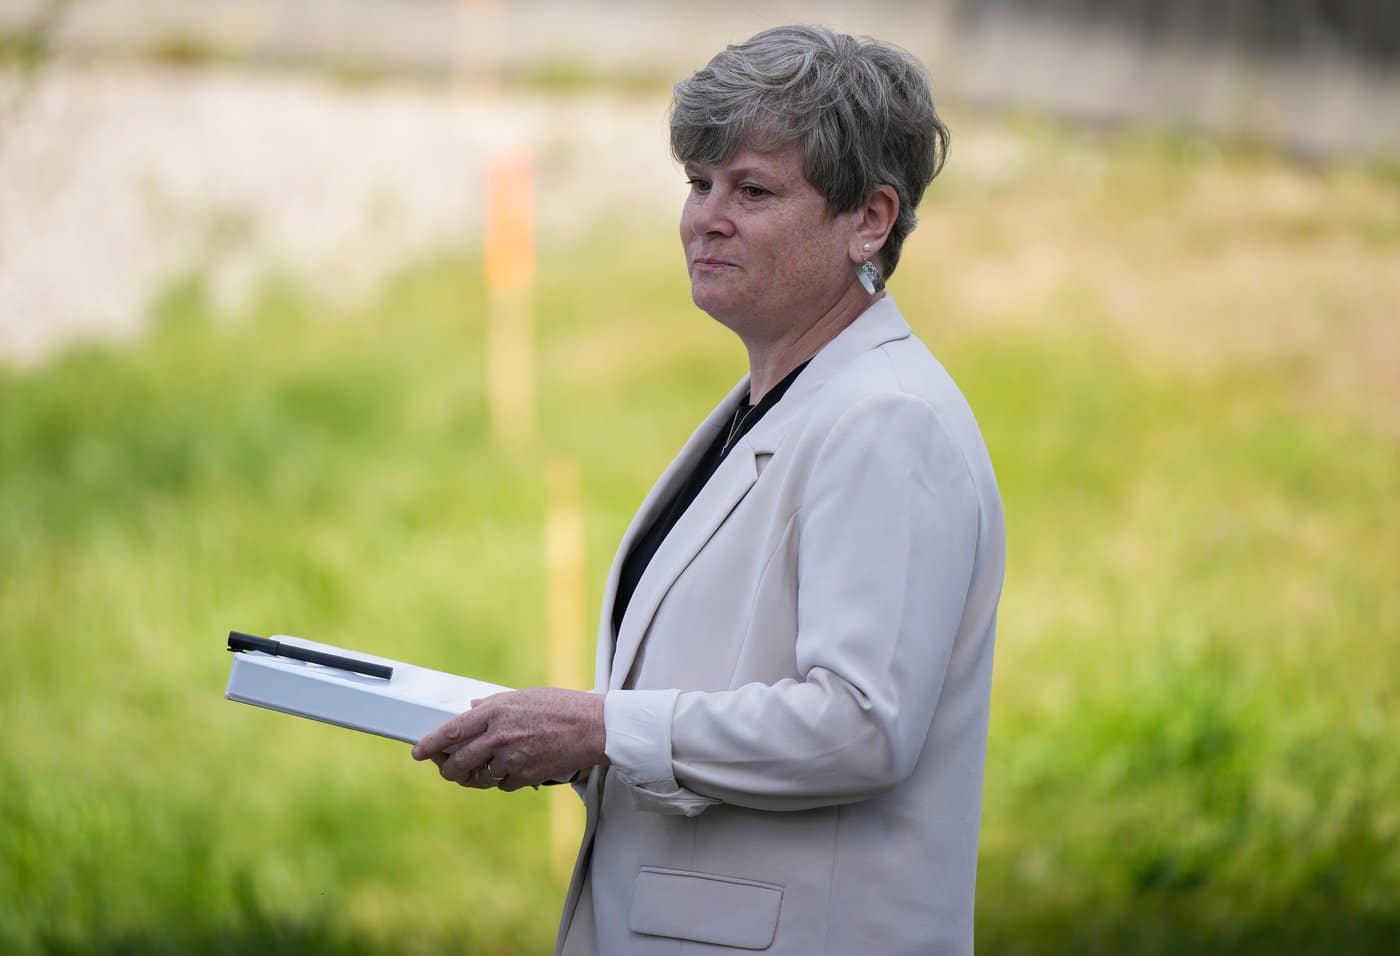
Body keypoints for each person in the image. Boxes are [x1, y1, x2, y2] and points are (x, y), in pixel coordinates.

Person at [413, 24, 1005, 955]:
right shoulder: (782, 398)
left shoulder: (890, 422)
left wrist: (605, 730)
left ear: (872, 219)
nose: (705, 218)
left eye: (753, 190)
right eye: (699, 184)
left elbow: (860, 724)